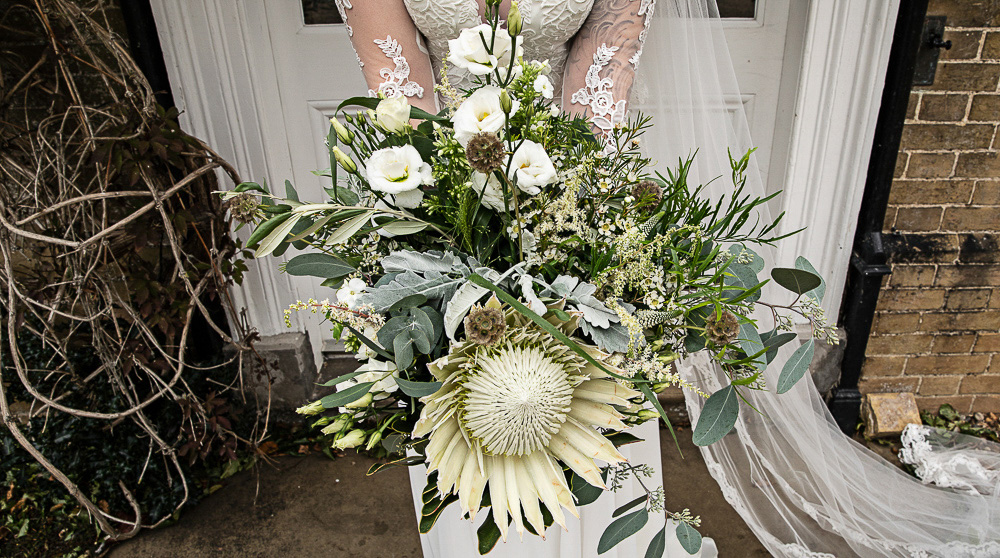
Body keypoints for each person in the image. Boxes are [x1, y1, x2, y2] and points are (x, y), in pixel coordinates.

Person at [332, 1, 717, 556]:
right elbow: (401, 97)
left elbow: (599, 95)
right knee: (468, 429)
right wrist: (433, 242)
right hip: (435, 196)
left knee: (585, 419)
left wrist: (584, 249)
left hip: (576, 191)